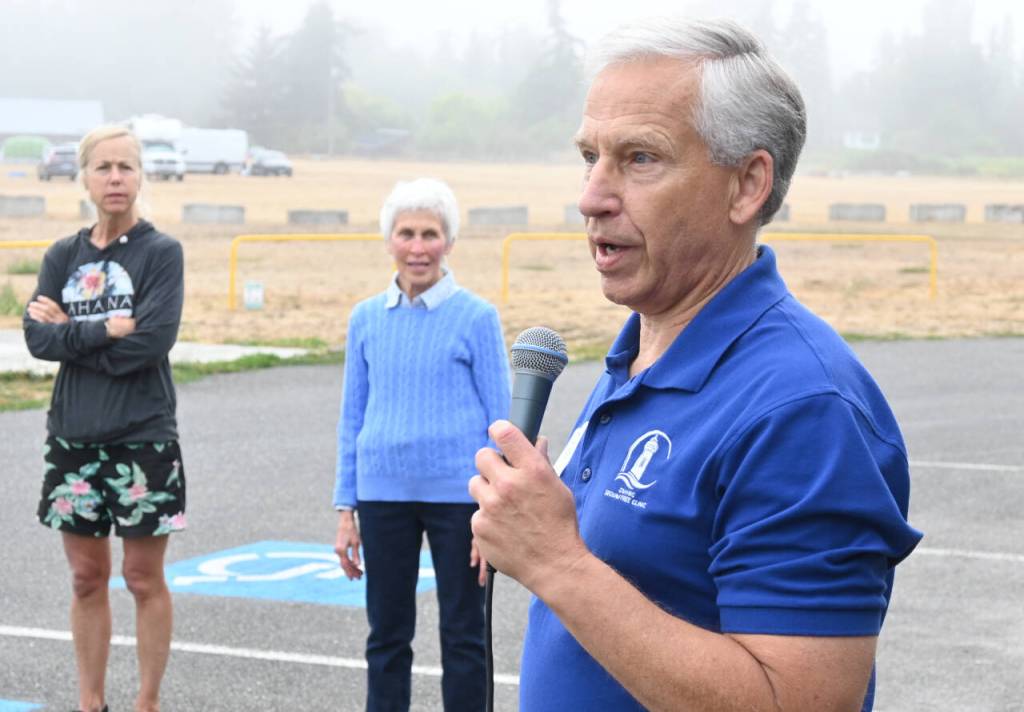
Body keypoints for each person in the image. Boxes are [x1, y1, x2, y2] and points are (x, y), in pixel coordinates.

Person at [469, 17, 923, 712]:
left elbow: (795, 701)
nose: (592, 195)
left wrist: (557, 562)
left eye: (640, 158)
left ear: (747, 185)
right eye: (589, 156)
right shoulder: (643, 349)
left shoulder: (801, 407)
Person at [332, 178, 511, 712]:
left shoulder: (477, 318)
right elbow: (352, 416)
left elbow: (501, 423)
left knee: (464, 636)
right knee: (386, 636)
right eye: (405, 233)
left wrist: (492, 511)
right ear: (389, 240)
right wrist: (346, 508)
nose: (417, 247)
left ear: (449, 243)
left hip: (460, 499)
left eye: (430, 234)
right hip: (382, 496)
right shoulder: (365, 319)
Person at [24, 125, 186, 712]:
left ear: (141, 176)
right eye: (103, 168)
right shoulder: (63, 255)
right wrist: (100, 329)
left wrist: (71, 332)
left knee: (143, 580)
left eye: (126, 167)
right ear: (86, 177)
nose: (115, 178)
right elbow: (37, 340)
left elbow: (150, 343)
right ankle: (90, 702)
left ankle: (147, 702)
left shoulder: (160, 253)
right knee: (85, 579)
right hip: (72, 439)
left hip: (142, 437)